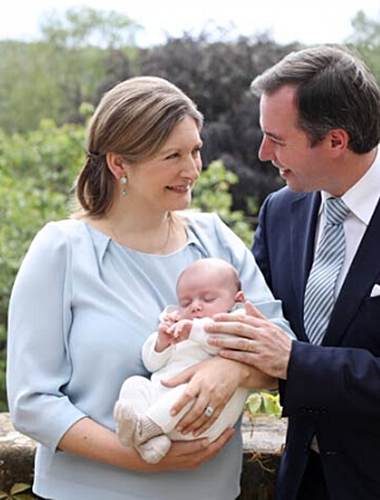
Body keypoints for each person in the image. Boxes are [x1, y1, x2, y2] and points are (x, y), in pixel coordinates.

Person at [205, 45, 380, 500]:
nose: (263, 153)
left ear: (336, 141)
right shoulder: (281, 210)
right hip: (305, 477)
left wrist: (293, 362)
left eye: (277, 139)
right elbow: (253, 320)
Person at [6, 76, 292, 500]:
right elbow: (32, 401)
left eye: (195, 150)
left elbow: (281, 350)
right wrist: (137, 459)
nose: (192, 169)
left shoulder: (215, 239)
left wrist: (229, 369)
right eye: (172, 155)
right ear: (119, 164)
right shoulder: (62, 249)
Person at [114, 258, 249, 465]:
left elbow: (222, 341)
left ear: (236, 299)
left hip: (198, 417)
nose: (195, 307)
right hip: (162, 410)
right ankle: (149, 440)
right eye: (186, 302)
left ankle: (143, 429)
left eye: (208, 299)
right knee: (135, 383)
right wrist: (162, 343)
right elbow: (152, 364)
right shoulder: (177, 325)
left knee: (193, 387)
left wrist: (192, 331)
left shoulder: (239, 321)